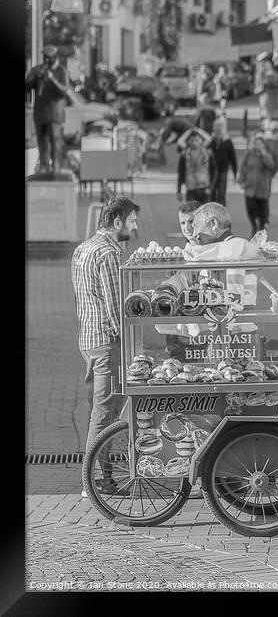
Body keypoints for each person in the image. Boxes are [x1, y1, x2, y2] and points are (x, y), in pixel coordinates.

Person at [71, 196, 140, 497]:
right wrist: (132, 340)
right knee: (104, 412)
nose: (135, 227)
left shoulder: (81, 249)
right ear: (117, 222)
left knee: (101, 409)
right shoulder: (110, 253)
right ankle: (94, 481)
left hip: (87, 339)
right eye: (132, 221)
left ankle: (103, 477)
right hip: (105, 343)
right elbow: (115, 308)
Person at [25, 44, 70, 174]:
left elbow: (64, 91)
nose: (46, 60)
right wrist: (32, 77)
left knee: (55, 141)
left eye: (49, 58)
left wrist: (51, 79)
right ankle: (44, 166)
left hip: (55, 113)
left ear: (55, 57)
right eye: (45, 57)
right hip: (40, 112)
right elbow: (27, 88)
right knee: (42, 141)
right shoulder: (38, 70)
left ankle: (56, 166)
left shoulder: (61, 71)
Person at [237, 135, 277, 238]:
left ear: (263, 145)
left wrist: (263, 154)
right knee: (250, 209)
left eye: (260, 143)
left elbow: (271, 165)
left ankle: (261, 229)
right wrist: (241, 180)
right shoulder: (249, 154)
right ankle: (254, 225)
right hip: (250, 187)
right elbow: (242, 167)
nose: (257, 145)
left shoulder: (266, 154)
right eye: (256, 143)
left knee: (262, 211)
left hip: (262, 187)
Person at [177, 129, 217, 204]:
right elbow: (180, 173)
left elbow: (214, 171)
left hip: (205, 189)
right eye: (191, 140)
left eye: (196, 140)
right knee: (192, 214)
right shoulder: (185, 154)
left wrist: (211, 188)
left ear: (201, 141)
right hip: (191, 190)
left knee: (204, 215)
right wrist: (179, 190)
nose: (194, 142)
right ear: (188, 141)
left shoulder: (207, 153)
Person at [209, 118, 237, 207]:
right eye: (215, 125)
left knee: (221, 192)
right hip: (210, 171)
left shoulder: (227, 141)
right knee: (211, 192)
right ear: (213, 127)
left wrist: (235, 172)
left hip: (223, 170)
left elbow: (233, 157)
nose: (217, 128)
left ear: (223, 127)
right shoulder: (209, 140)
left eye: (219, 126)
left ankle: (221, 211)